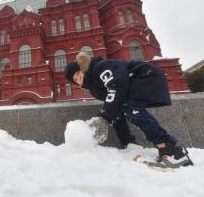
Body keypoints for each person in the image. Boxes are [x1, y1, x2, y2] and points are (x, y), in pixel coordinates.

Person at [64, 52, 193, 168]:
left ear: (82, 68)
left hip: (146, 76)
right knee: (120, 110)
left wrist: (103, 117)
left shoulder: (100, 67)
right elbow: (114, 105)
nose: (77, 79)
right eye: (74, 80)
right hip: (133, 84)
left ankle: (170, 150)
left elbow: (117, 85)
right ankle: (129, 144)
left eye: (77, 74)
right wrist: (109, 119)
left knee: (129, 107)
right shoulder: (94, 88)